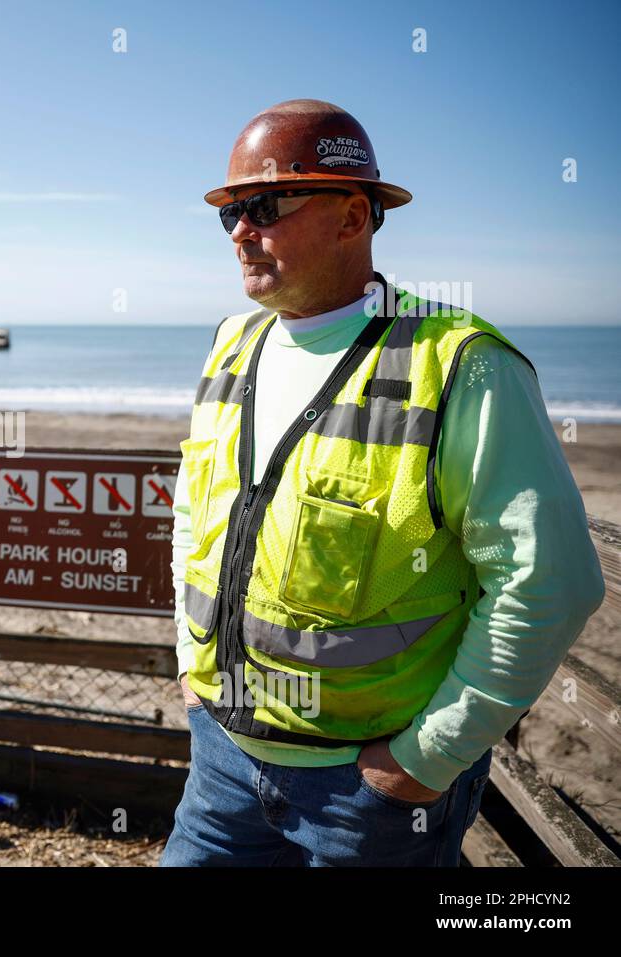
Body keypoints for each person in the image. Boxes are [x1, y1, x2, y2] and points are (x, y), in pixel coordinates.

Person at [159, 99, 605, 866]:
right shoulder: (233, 345)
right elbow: (195, 515)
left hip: (368, 796)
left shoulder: (461, 364)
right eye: (230, 211)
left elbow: (548, 582)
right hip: (222, 763)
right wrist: (192, 669)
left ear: (351, 217)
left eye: (264, 204)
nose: (239, 231)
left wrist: (426, 758)